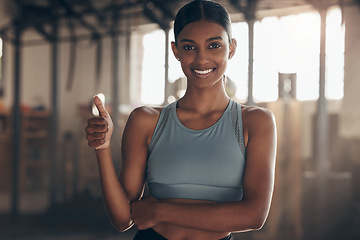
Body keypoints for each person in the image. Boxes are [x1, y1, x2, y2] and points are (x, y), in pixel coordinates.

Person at [85, 0, 277, 239]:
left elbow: (254, 215)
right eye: (189, 48)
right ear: (176, 51)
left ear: (232, 48)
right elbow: (123, 219)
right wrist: (102, 149)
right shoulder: (146, 121)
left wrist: (161, 211)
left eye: (214, 45)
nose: (202, 59)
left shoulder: (255, 122)